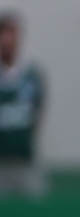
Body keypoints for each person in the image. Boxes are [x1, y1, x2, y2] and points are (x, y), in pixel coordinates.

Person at [0, 10, 45, 197]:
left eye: (12, 35)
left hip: (26, 160)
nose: (7, 42)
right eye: (3, 35)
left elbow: (37, 113)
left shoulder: (31, 76)